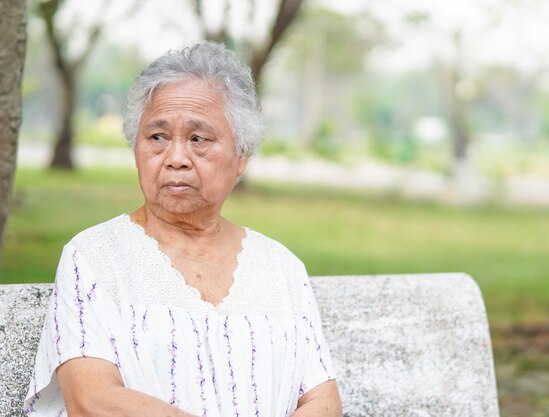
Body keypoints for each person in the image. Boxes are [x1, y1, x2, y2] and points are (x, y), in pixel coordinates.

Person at [24, 41, 341, 417]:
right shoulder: (94, 258)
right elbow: (91, 400)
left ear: (241, 157)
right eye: (157, 137)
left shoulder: (281, 267)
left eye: (198, 139)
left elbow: (322, 400)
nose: (175, 159)